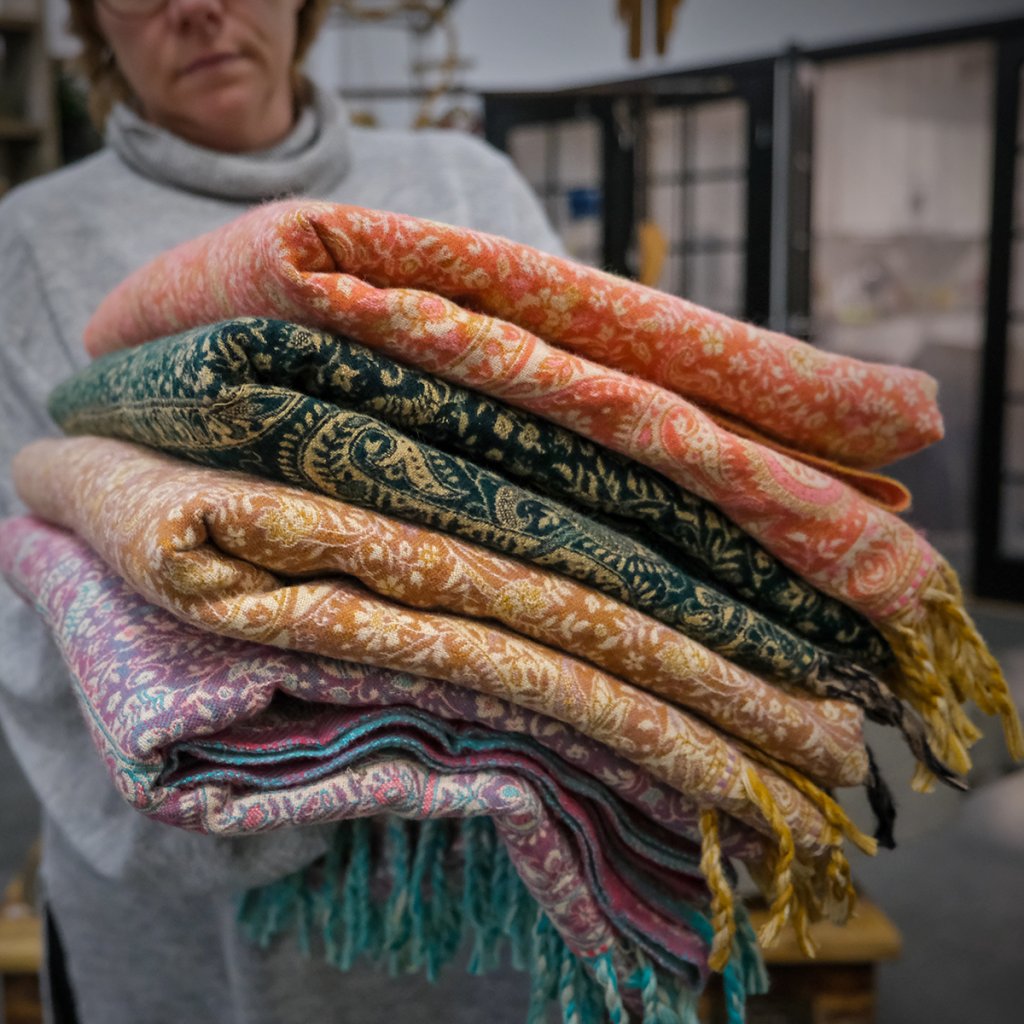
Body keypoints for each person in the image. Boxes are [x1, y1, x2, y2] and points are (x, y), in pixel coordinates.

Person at [0, 2, 563, 1021]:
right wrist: (266, 778)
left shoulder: (466, 189)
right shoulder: (28, 245)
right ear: (92, 21)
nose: (196, 8)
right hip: (184, 935)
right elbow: (25, 597)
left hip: (479, 902)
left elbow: (580, 470)